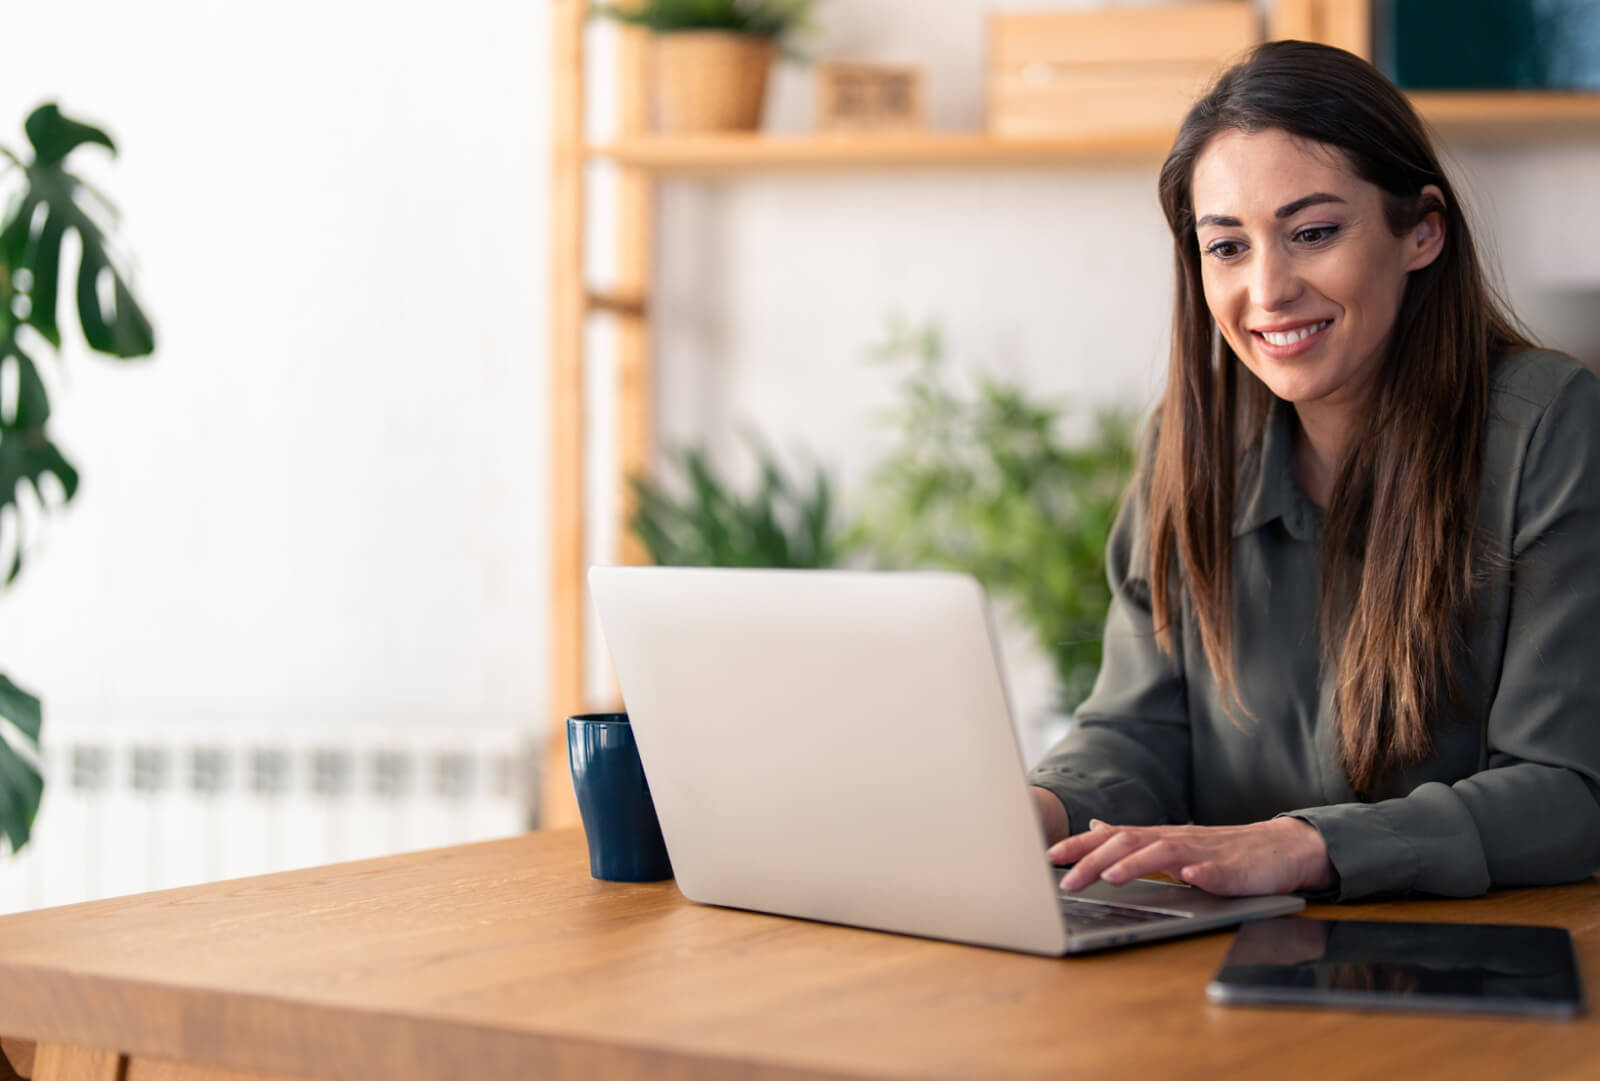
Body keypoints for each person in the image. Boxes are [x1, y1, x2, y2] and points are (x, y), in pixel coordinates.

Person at [1026, 40, 1600, 901]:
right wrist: (1035, 810)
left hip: (1475, 971)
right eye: (1227, 247)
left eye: (1314, 233)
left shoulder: (1549, 426)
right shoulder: (1189, 442)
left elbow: (1570, 790)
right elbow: (1135, 732)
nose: (1269, 288)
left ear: (1423, 232)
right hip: (1217, 961)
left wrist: (1302, 845)